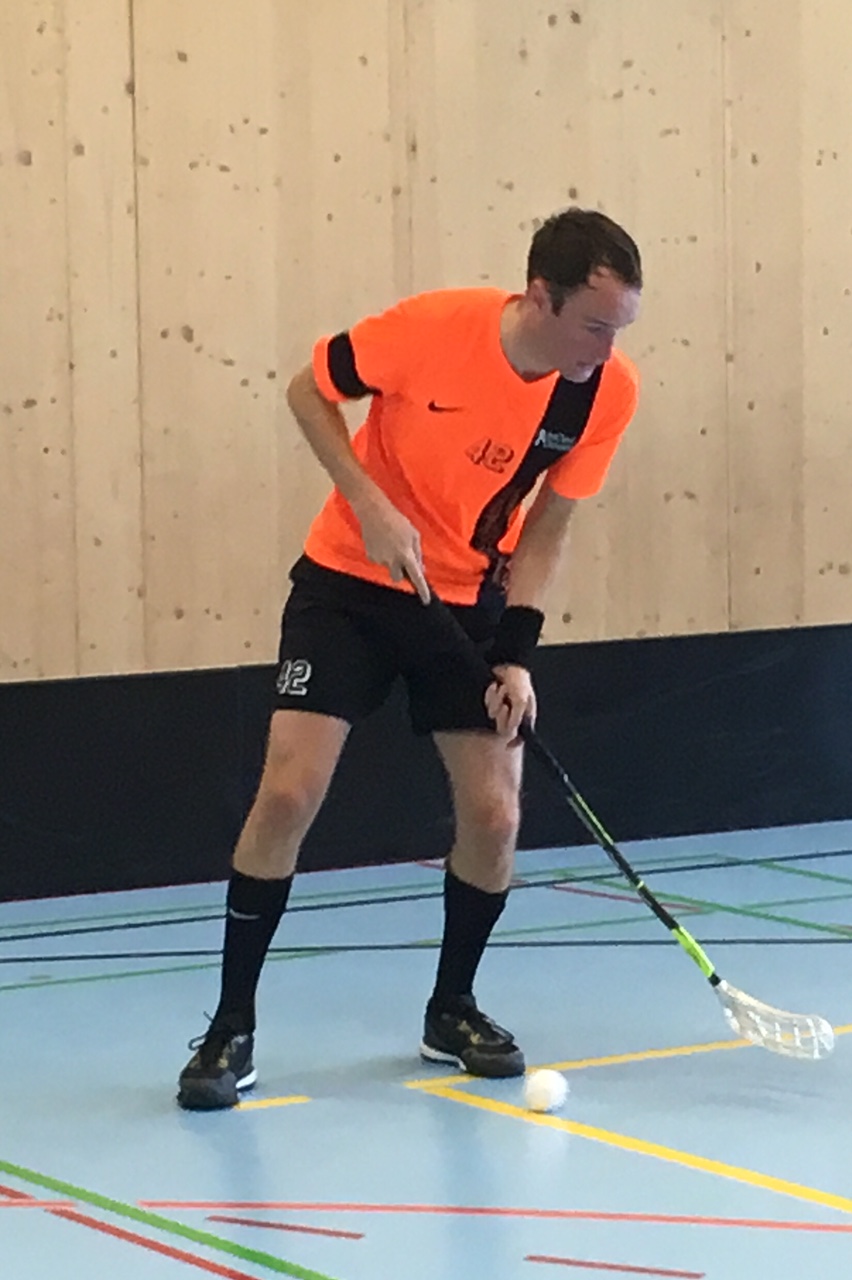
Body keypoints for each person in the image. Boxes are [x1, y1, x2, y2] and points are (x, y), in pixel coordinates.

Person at [177, 207, 643, 1110]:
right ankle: (230, 1026)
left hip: (466, 606)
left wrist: (516, 654)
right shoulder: (433, 330)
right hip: (349, 585)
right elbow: (309, 391)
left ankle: (451, 1008)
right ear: (539, 297)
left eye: (621, 327)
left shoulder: (602, 391)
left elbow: (549, 525)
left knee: (495, 815)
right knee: (288, 794)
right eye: (595, 325)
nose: (608, 347)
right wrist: (367, 502)